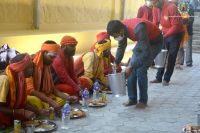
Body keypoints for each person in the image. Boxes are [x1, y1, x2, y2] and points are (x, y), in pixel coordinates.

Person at [106, 18, 163, 108]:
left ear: (120, 30)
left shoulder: (139, 28)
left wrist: (131, 66)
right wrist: (116, 62)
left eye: (114, 35)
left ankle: (143, 101)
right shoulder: (121, 29)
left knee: (141, 69)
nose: (115, 38)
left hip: (155, 42)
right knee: (131, 70)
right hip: (143, 42)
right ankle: (132, 99)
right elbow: (121, 46)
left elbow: (146, 52)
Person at [27, 41, 77, 114]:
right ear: (44, 53)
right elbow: (30, 90)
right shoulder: (31, 64)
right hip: (31, 96)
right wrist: (50, 101)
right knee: (34, 100)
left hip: (44, 95)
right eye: (51, 57)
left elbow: (52, 88)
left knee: (65, 97)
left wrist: (67, 98)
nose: (53, 60)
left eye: (55, 57)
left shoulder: (47, 66)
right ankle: (43, 108)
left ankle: (47, 108)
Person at [150, 0, 184, 86]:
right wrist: (153, 35)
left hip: (176, 33)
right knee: (160, 54)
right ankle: (158, 77)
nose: (153, 4)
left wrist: (165, 36)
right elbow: (155, 23)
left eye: (155, 2)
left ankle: (166, 79)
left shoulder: (171, 7)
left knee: (171, 56)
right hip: (165, 32)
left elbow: (176, 26)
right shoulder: (155, 7)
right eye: (152, 2)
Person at [0, 54, 35, 128]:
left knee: (29, 118)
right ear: (21, 68)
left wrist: (39, 111)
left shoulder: (20, 79)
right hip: (3, 113)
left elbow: (22, 103)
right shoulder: (4, 79)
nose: (33, 70)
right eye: (30, 67)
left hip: (12, 112)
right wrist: (20, 112)